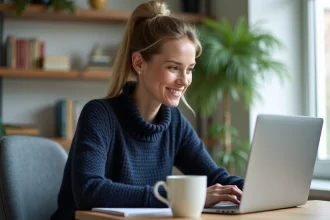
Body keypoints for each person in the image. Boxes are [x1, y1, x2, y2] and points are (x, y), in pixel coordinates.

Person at [51, 1, 244, 219]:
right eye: (173, 68)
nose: (184, 81)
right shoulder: (99, 115)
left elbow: (215, 178)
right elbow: (90, 191)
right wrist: (178, 196)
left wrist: (258, 191)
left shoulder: (174, 123)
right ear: (139, 63)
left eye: (189, 69)